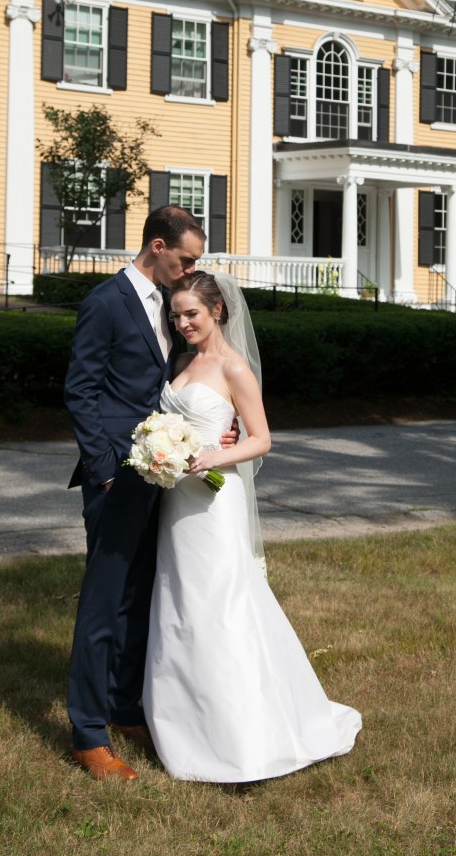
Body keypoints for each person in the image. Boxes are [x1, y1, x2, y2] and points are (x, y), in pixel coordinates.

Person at [141, 270, 362, 782]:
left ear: (217, 311)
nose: (182, 323)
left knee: (220, 604)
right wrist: (161, 452)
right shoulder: (180, 362)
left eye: (191, 313)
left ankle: (241, 735)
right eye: (176, 315)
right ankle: (182, 724)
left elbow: (261, 439)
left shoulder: (235, 368)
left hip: (215, 501)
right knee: (179, 603)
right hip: (178, 502)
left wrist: (210, 457)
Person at [64, 205, 235, 782]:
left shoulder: (170, 305)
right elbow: (80, 391)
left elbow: (180, 382)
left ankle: (124, 707)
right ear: (157, 246)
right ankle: (87, 734)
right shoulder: (106, 302)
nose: (191, 269)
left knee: (139, 595)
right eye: (186, 258)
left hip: (161, 472)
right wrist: (106, 470)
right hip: (116, 477)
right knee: (102, 604)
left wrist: (217, 429)